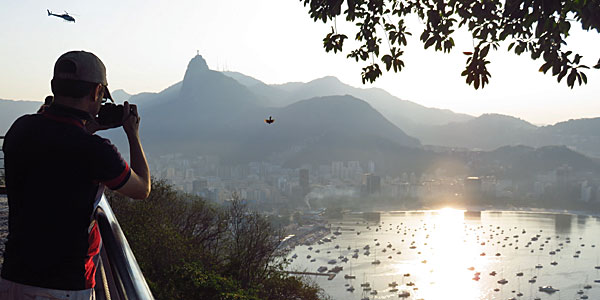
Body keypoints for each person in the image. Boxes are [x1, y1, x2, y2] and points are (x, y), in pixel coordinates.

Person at [0, 50, 151, 300]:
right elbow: (142, 188)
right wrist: (132, 134)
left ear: (53, 86)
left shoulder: (20, 128)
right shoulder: (95, 151)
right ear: (97, 92)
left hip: (12, 279)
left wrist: (84, 127)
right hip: (64, 287)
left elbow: (52, 141)